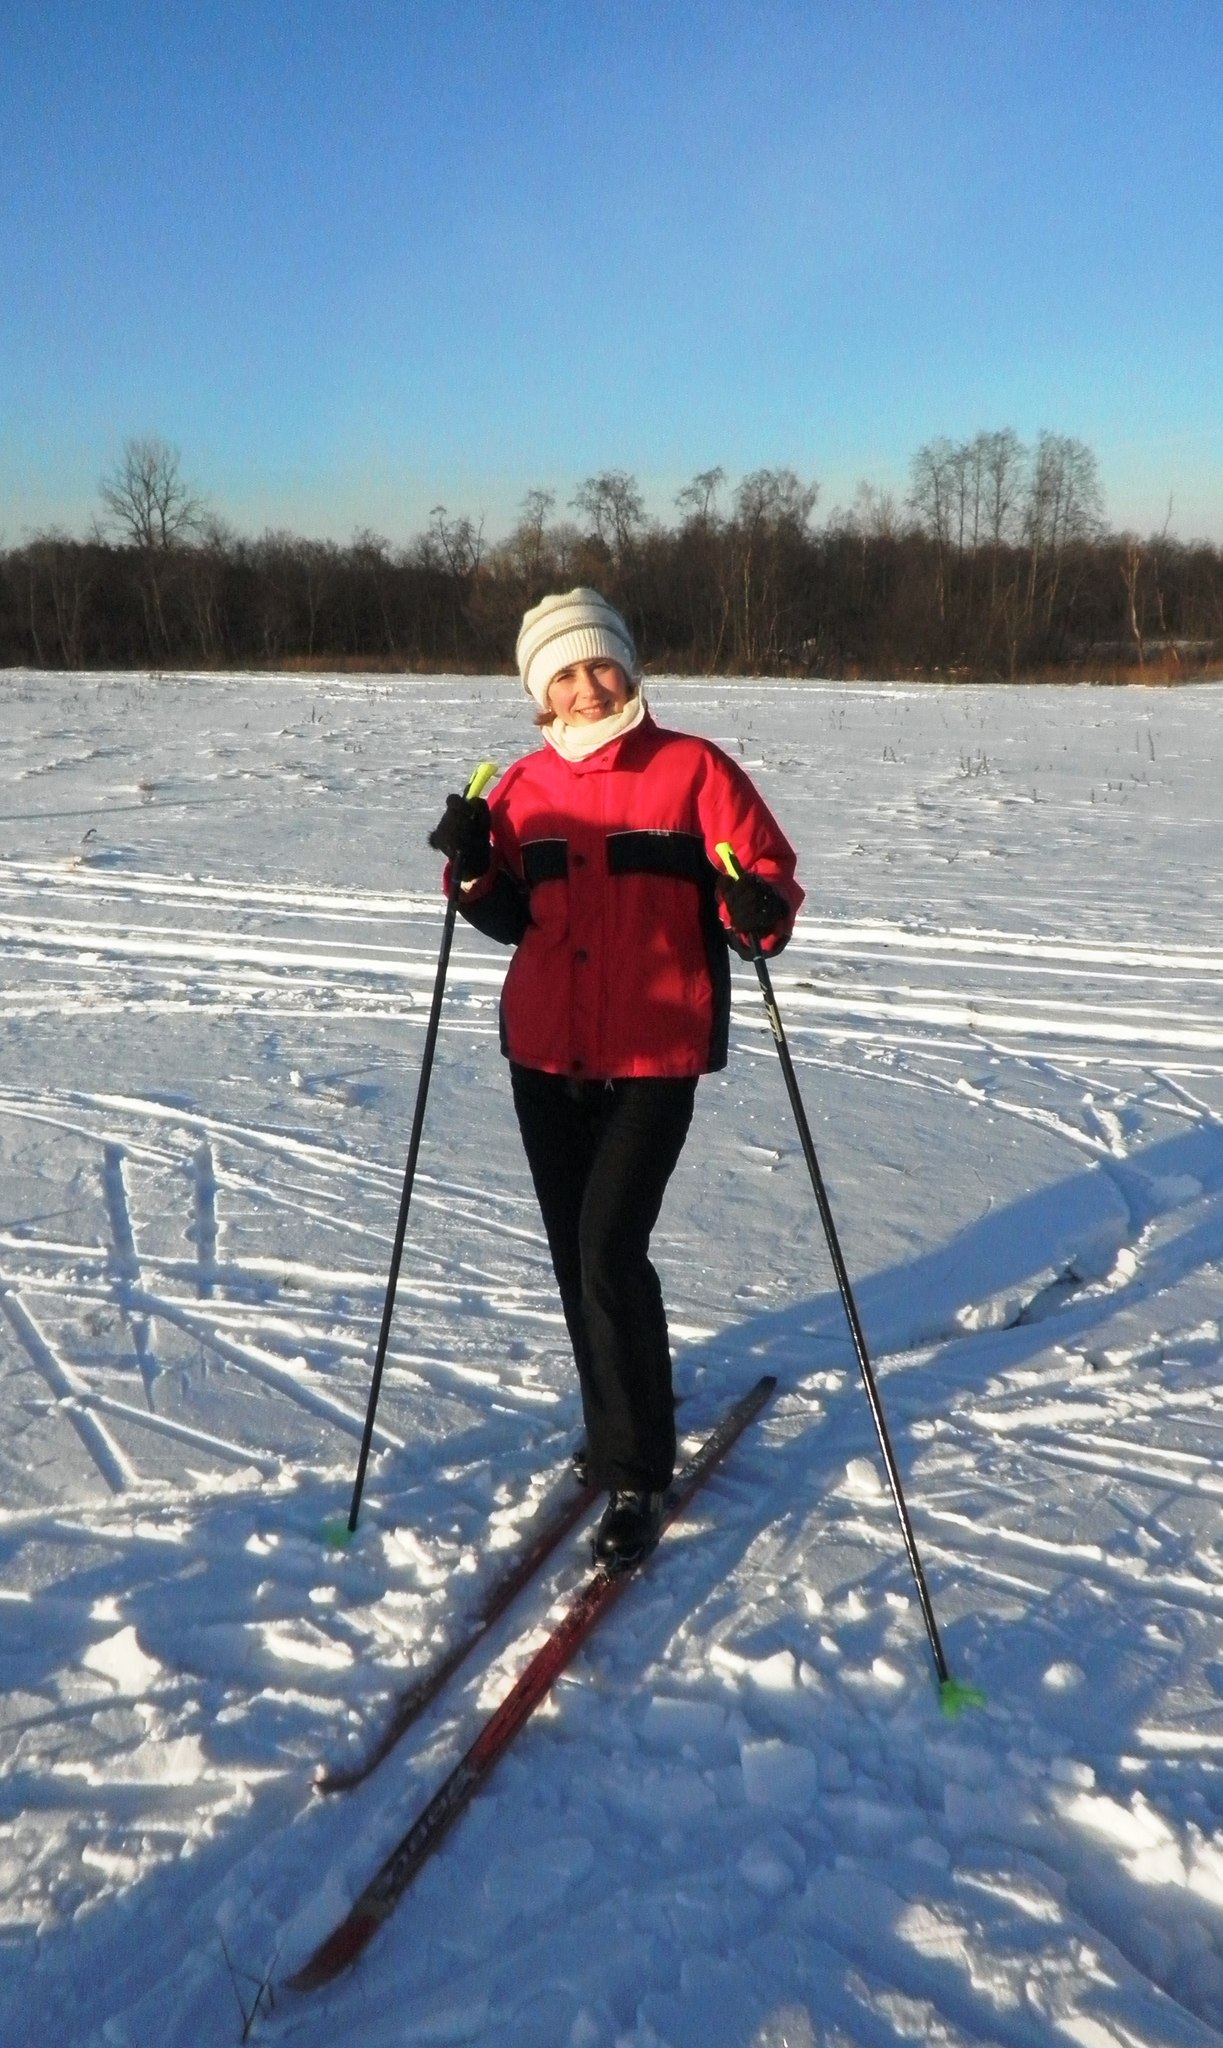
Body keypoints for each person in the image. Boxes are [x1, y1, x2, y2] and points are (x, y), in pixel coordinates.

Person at [429, 588, 804, 1569]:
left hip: (654, 1049)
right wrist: (471, 866)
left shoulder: (693, 770)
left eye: (600, 664)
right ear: (539, 692)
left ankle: (636, 1470)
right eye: (565, 673)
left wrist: (755, 907)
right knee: (574, 1253)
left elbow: (762, 883)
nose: (587, 687)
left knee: (607, 1248)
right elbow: (507, 914)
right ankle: (610, 1424)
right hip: (543, 1050)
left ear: (629, 667)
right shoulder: (521, 787)